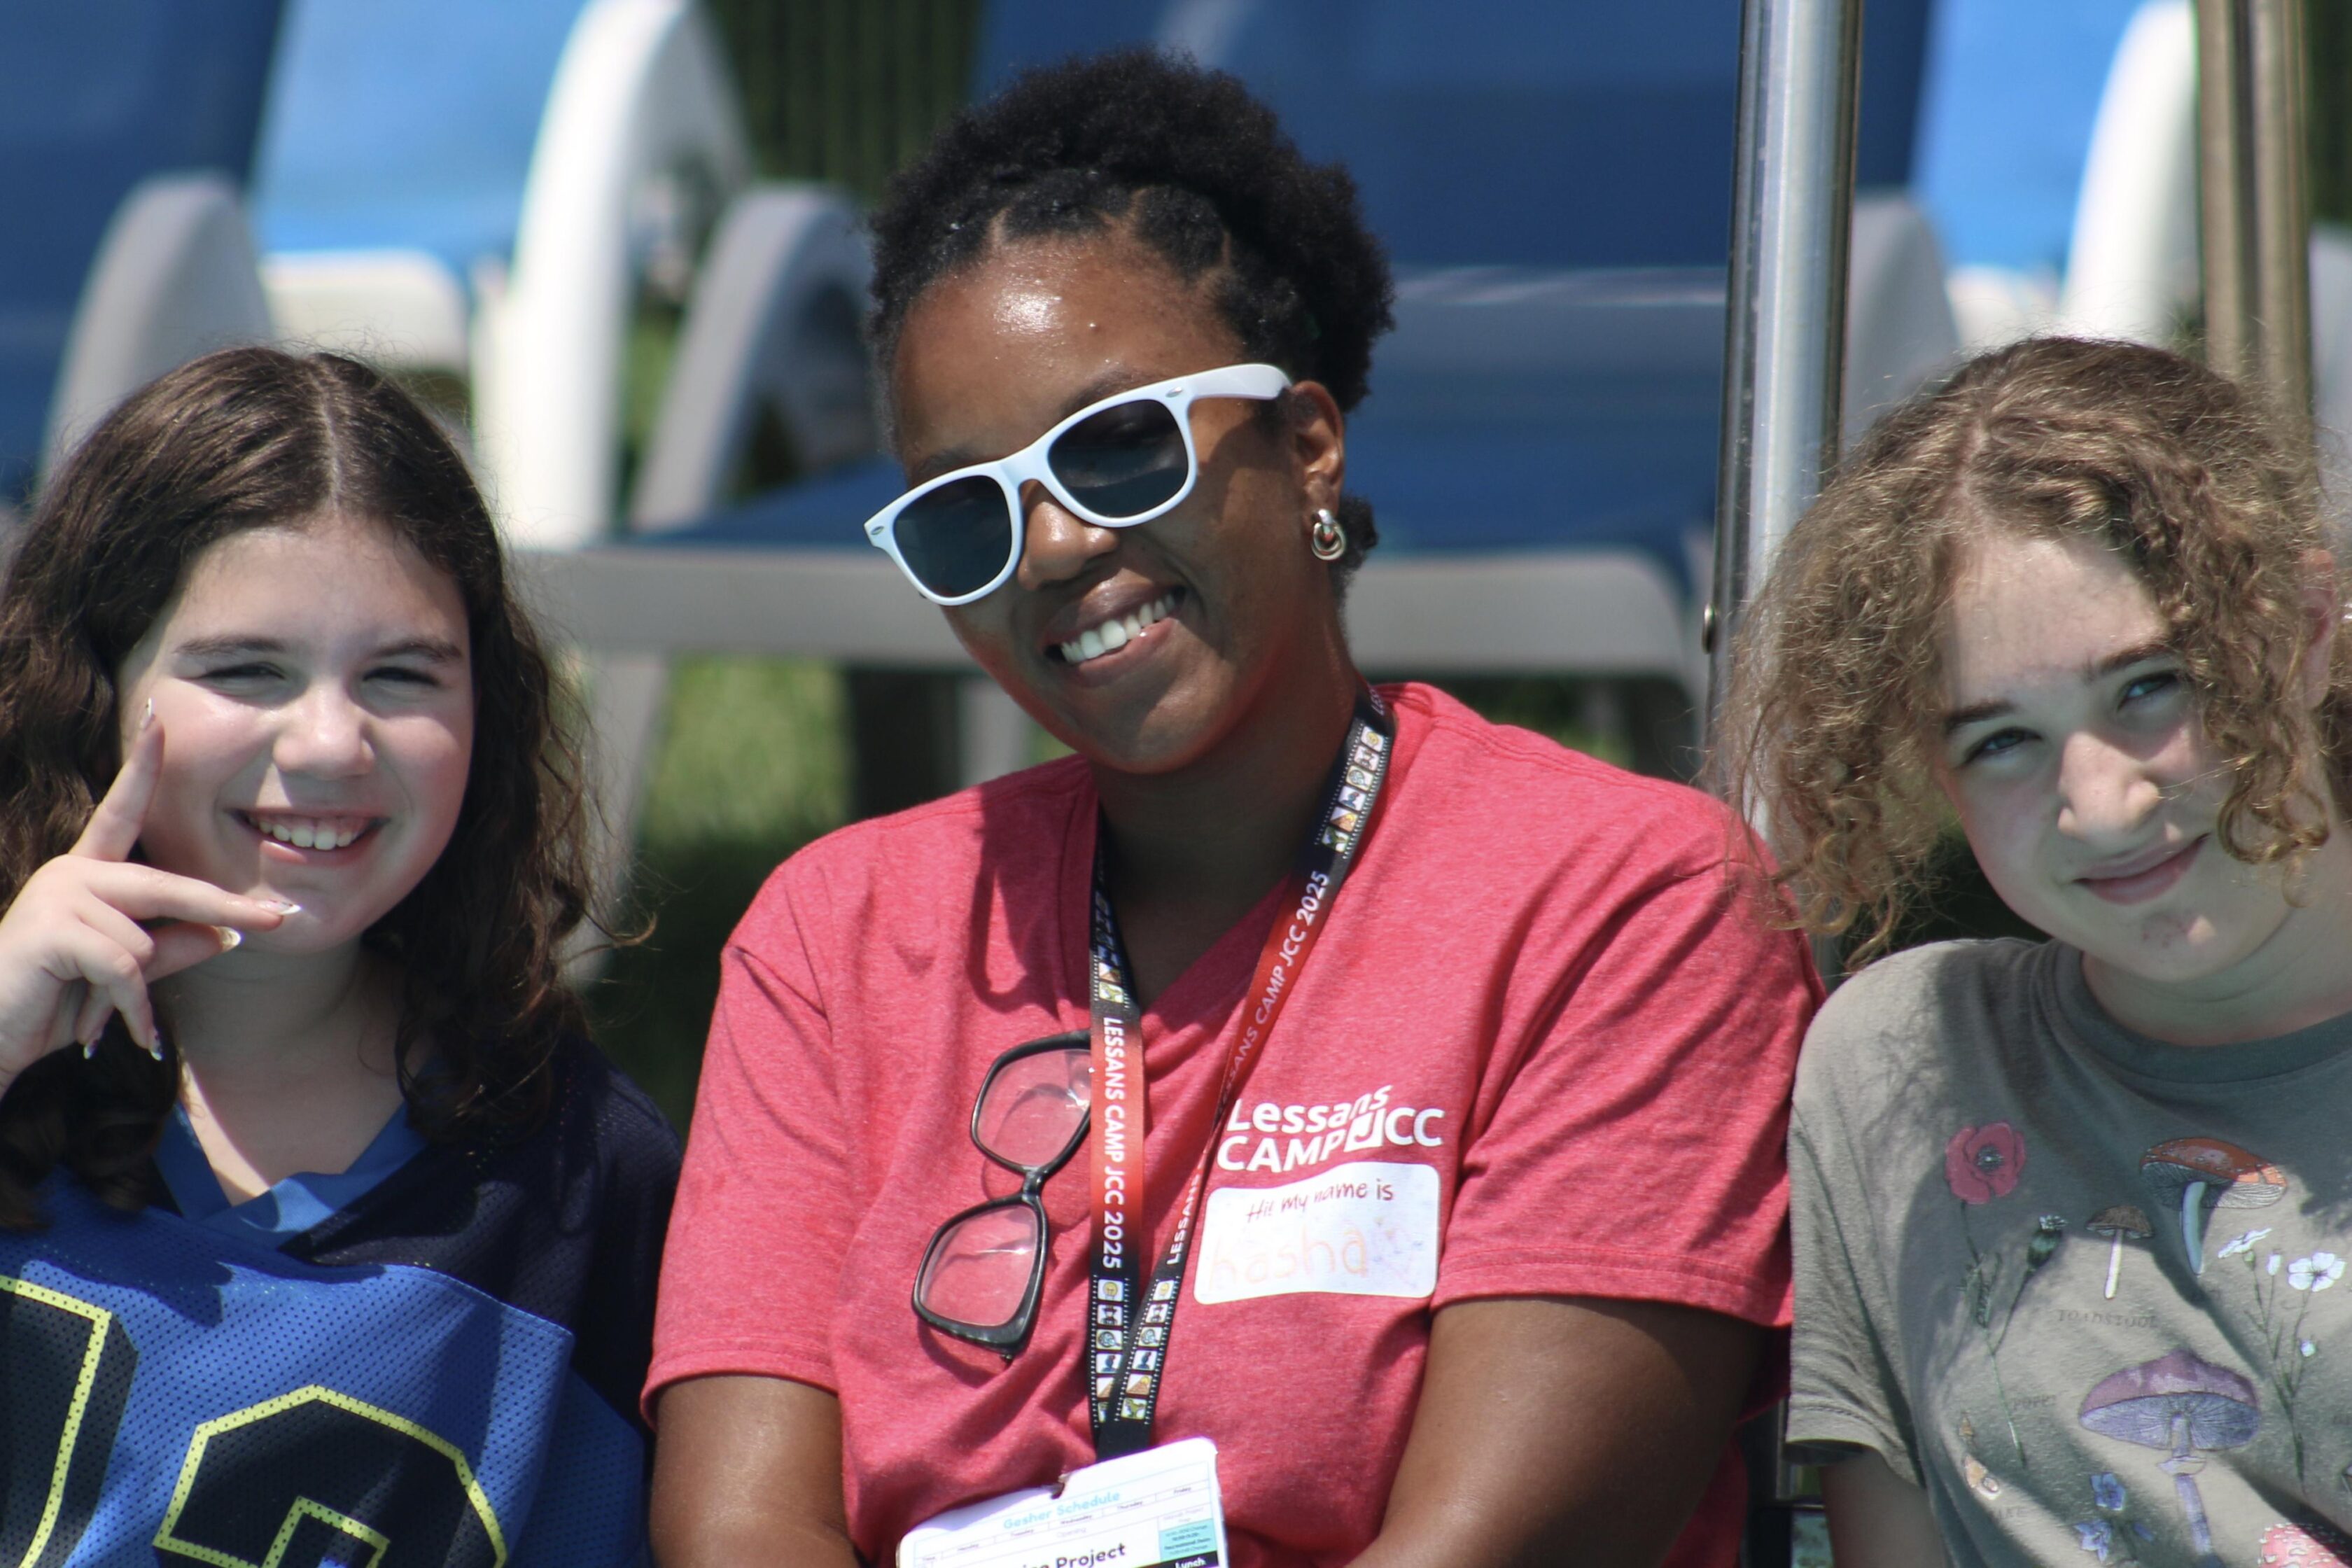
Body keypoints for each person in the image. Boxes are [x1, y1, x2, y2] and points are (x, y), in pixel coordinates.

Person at [648, 50, 1817, 1568]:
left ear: (1308, 440)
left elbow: (1506, 1543)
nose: (1058, 546)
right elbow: (737, 1528)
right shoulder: (836, 934)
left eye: (1119, 445)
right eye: (967, 512)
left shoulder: (1620, 901)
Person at [0, 347, 678, 1563]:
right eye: (246, 669)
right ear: (89, 685)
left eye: (403, 674)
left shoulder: (579, 1171)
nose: (328, 743)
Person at [1720, 336, 2352, 1564]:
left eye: (2153, 686)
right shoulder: (1903, 1061)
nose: (2102, 805)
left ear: (2308, 629)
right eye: (2002, 741)